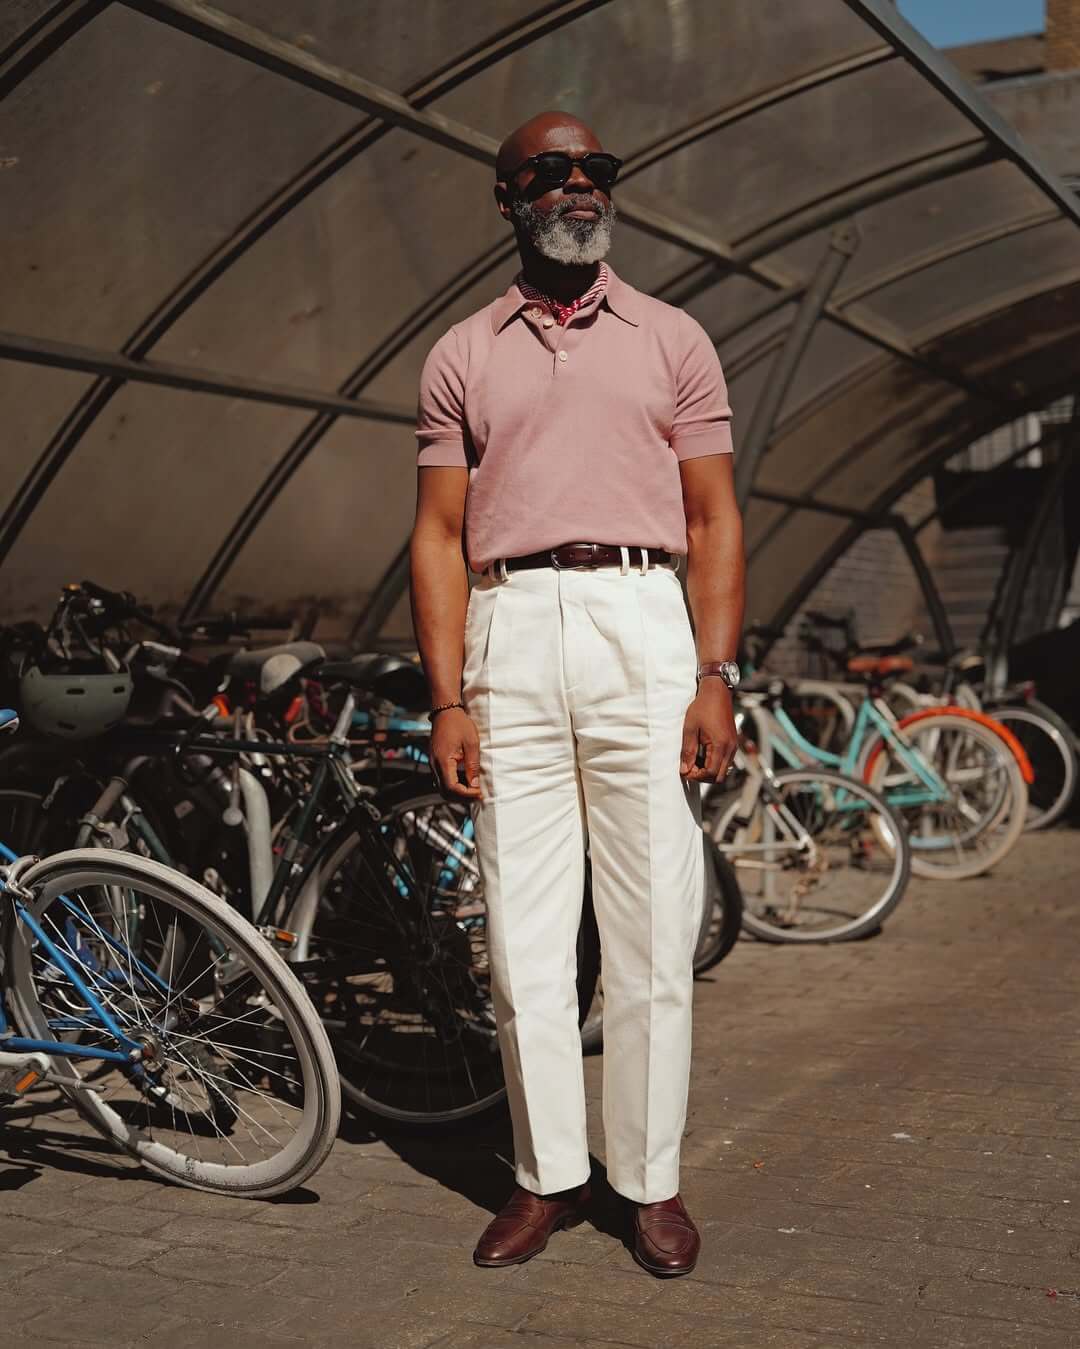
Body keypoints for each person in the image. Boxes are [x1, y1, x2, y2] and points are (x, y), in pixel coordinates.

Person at [409, 110, 744, 1277]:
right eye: (552, 172)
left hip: (644, 623)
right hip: (512, 629)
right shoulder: (463, 352)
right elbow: (440, 535)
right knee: (522, 935)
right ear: (509, 197)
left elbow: (713, 517)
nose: (580, 187)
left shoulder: (672, 339)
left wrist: (716, 672)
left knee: (654, 924)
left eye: (597, 171)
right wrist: (447, 697)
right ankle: (545, 1173)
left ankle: (648, 1181)